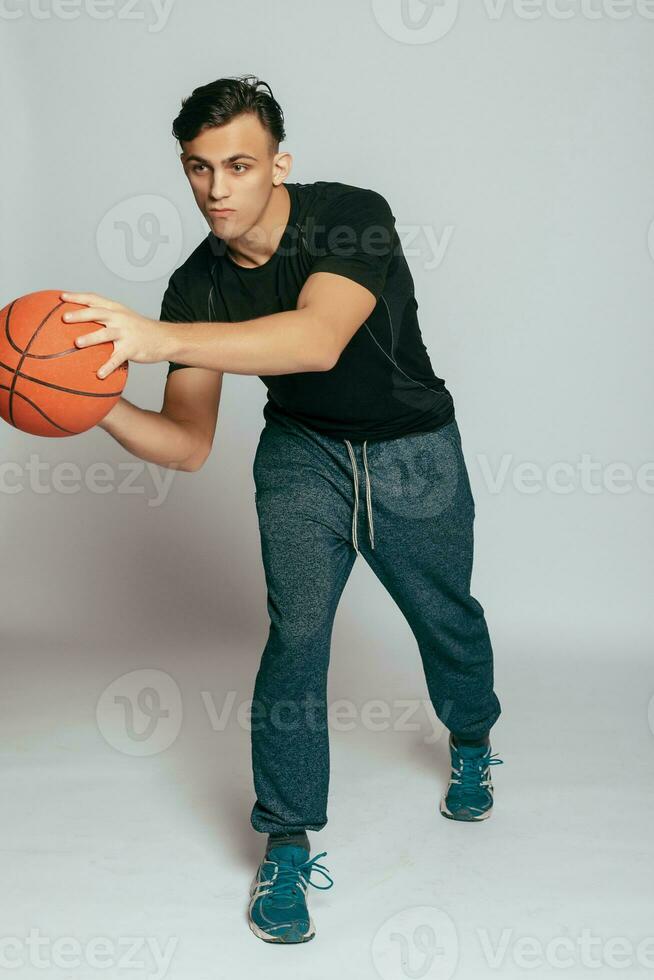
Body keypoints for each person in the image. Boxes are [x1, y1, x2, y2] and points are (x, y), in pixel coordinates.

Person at [70, 73, 503, 945]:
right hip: (302, 456)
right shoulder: (197, 285)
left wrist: (157, 340)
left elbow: (316, 337)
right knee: (297, 634)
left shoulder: (349, 213)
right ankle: (286, 838)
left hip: (412, 448)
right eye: (199, 168)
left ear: (279, 163)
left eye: (238, 164)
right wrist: (80, 398)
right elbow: (187, 442)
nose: (218, 189)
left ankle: (471, 736)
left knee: (443, 615)